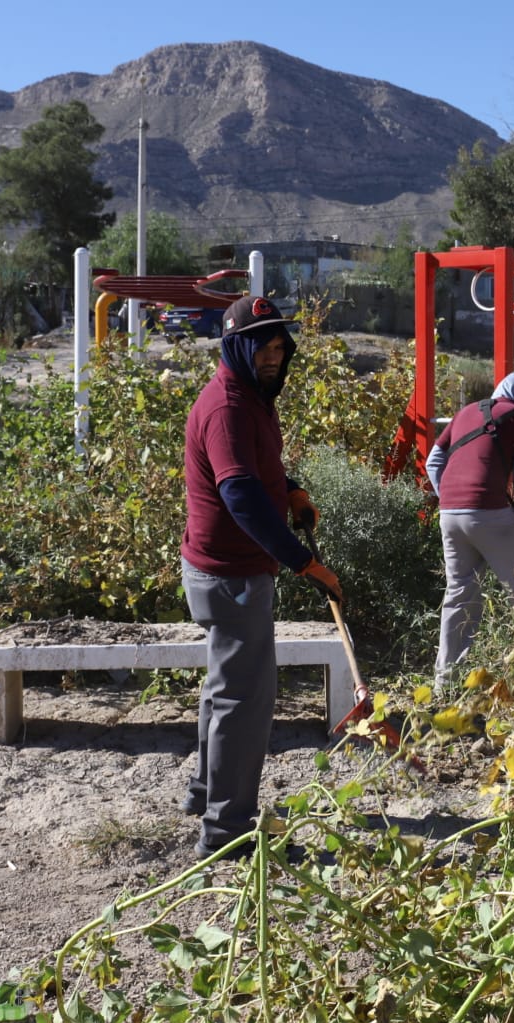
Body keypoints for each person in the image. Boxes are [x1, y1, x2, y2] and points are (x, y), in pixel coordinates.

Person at [180, 293, 342, 859]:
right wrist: (303, 561)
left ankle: (205, 793)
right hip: (232, 576)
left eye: (279, 346)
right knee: (245, 702)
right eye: (262, 347)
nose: (273, 356)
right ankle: (226, 832)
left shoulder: (248, 395)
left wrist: (290, 488)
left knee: (224, 689)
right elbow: (241, 495)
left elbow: (254, 470)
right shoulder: (228, 406)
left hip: (222, 569)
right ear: (235, 347)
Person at [425, 371, 514, 689]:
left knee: (459, 596)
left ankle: (445, 684)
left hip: (450, 516)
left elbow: (433, 462)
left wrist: (450, 498)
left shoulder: (466, 412)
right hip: (491, 514)